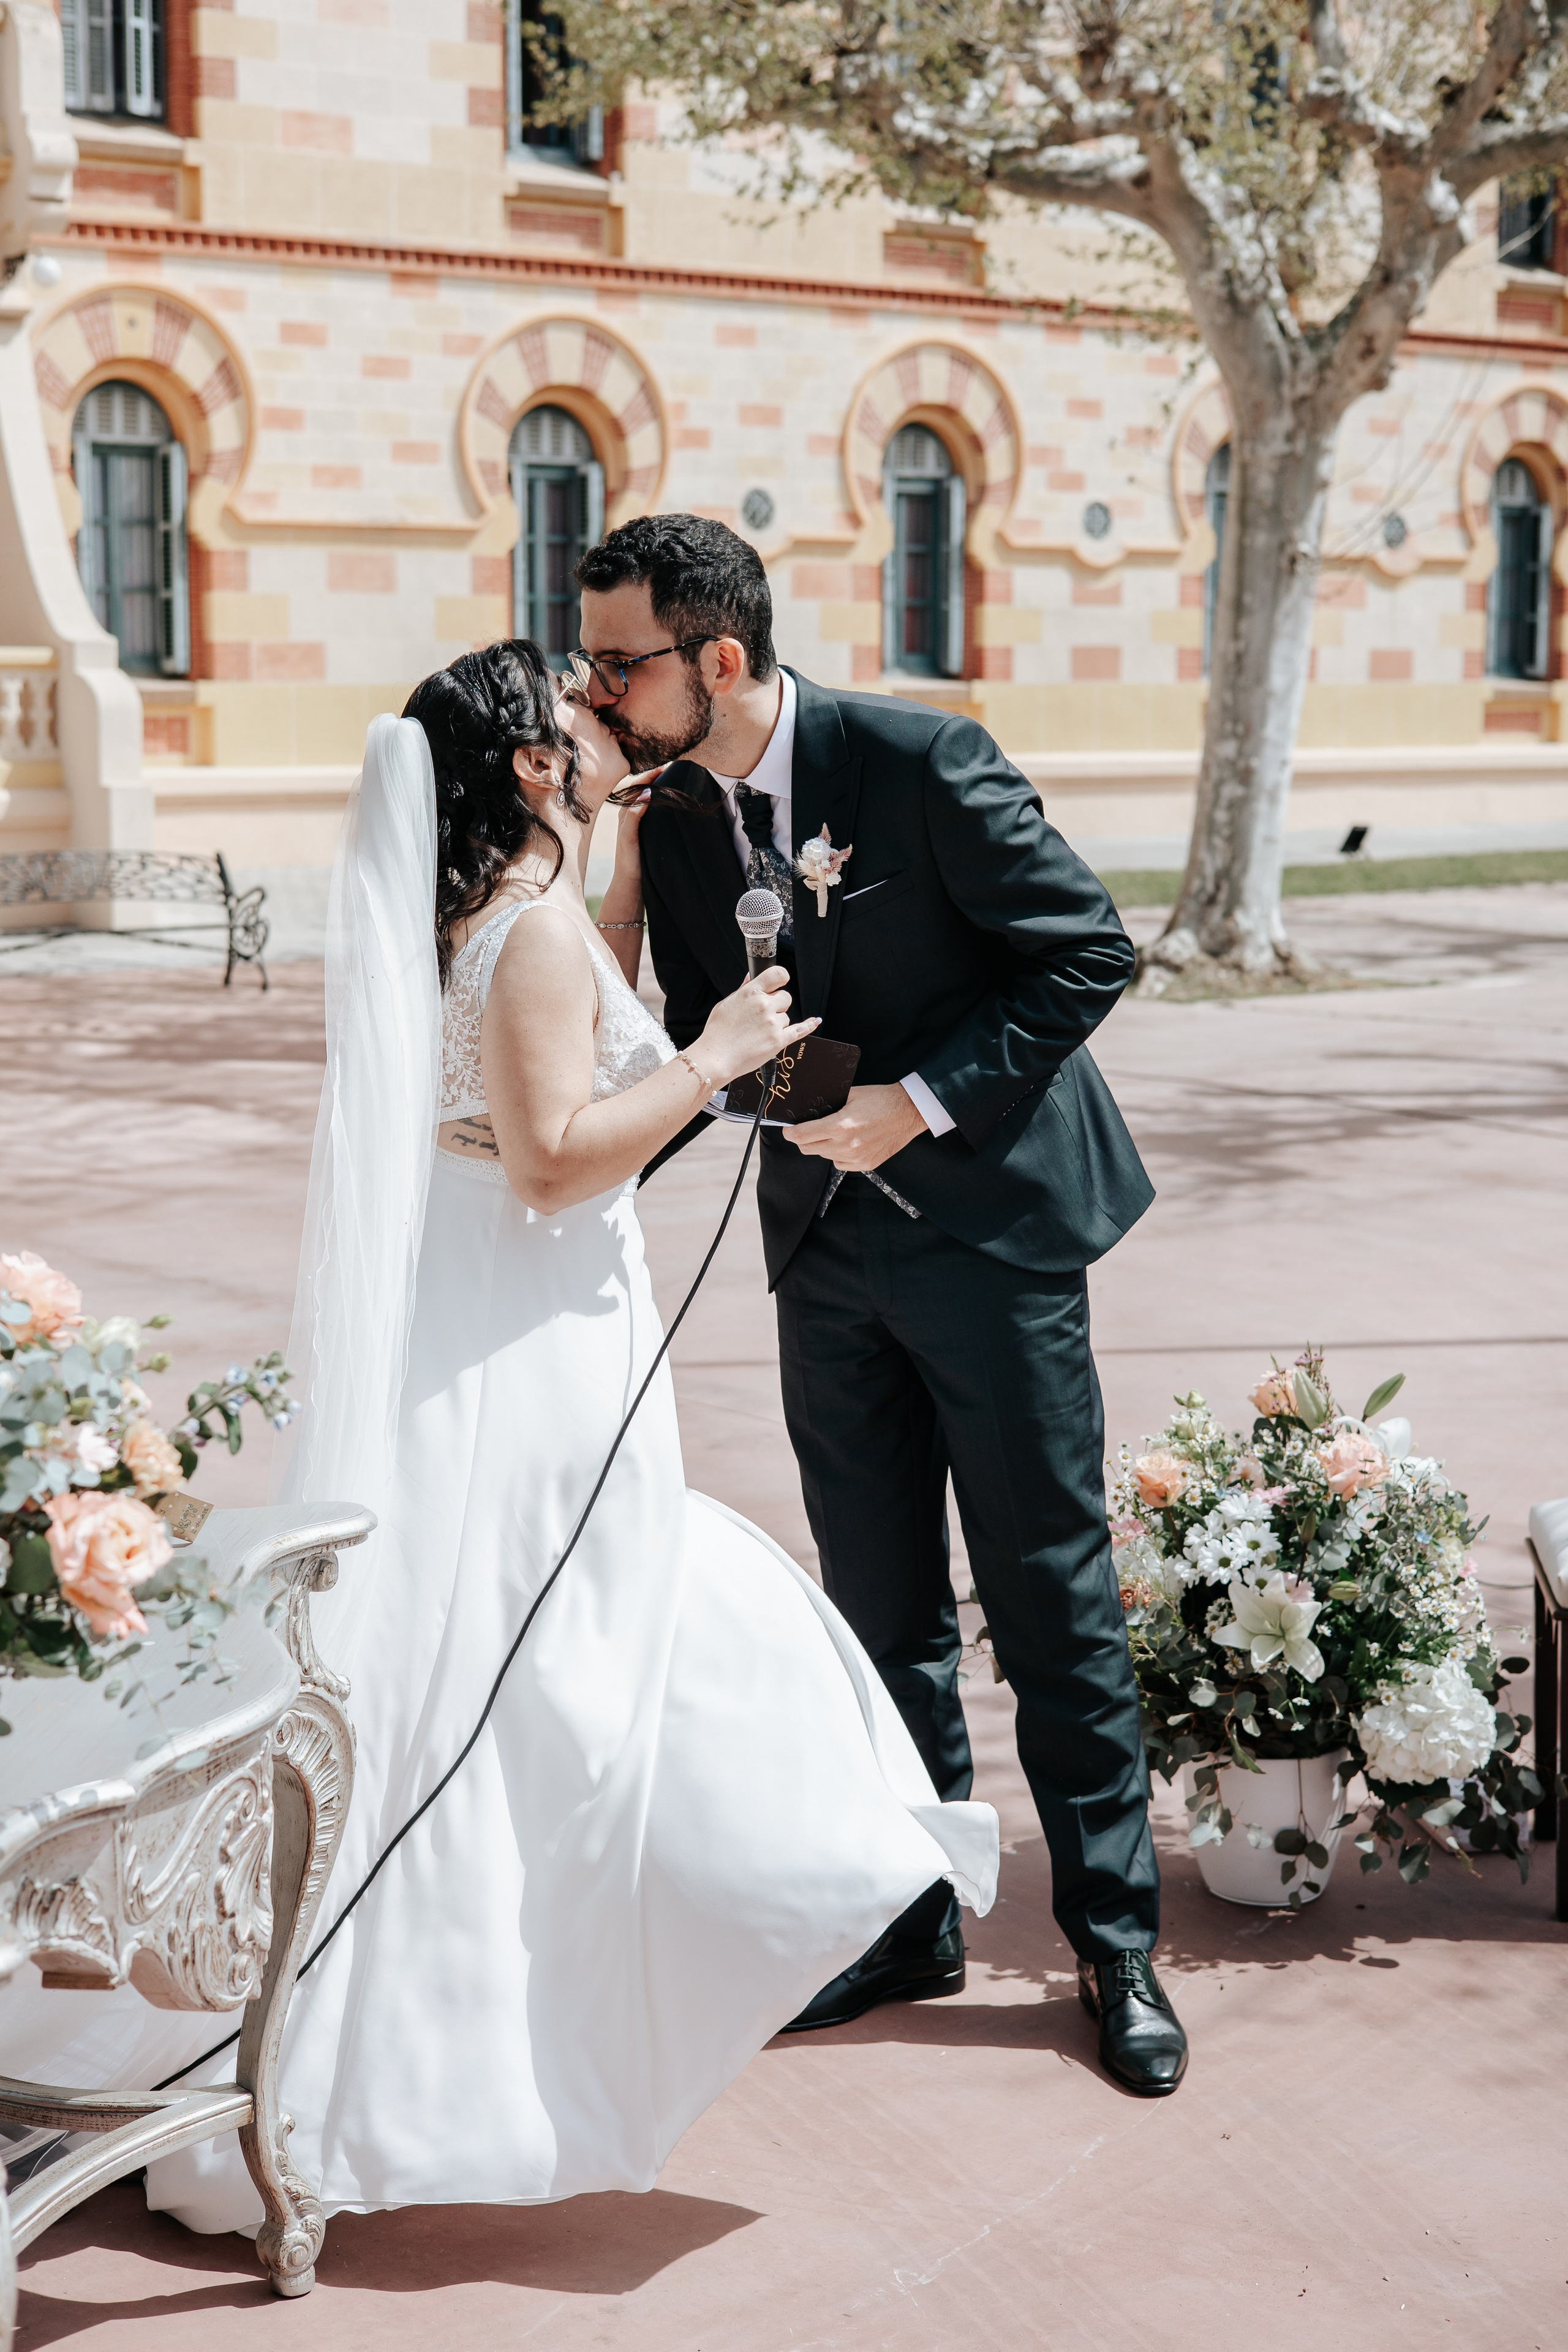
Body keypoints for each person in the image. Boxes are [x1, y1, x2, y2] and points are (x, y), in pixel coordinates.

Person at [0, 641, 997, 2223]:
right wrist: (716, 1058)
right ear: (533, 770)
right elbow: (548, 1163)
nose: (608, 726)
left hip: (508, 1320)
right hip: (533, 1336)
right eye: (580, 718)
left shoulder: (505, 913)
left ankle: (571, 1984)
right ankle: (528, 2016)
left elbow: (537, 1079)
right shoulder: (524, 934)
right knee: (557, 1652)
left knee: (510, 1656)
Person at [573, 516, 1188, 2097]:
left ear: (717, 660)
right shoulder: (677, 820)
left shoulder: (924, 763)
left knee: (1049, 1591)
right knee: (878, 1604)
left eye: (617, 665)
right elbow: (696, 1036)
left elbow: (1083, 954)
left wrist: (918, 1100)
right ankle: (913, 1909)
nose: (595, 694)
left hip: (992, 1235)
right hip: (823, 1254)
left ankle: (1116, 1942)